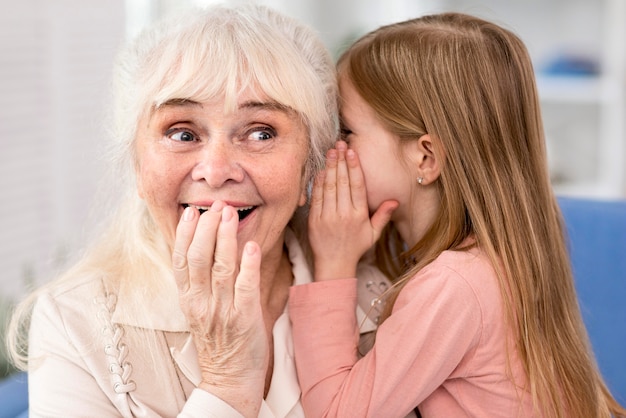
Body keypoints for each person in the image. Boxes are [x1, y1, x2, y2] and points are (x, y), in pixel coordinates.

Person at [4, 4, 351, 417]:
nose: (218, 170)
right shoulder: (74, 323)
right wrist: (226, 382)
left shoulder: (381, 297)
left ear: (310, 164)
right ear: (137, 164)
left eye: (261, 132)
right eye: (182, 133)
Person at [288, 12, 626, 418]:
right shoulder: (497, 257)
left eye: (346, 133)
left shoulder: (453, 286)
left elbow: (337, 414)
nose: (330, 150)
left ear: (426, 157)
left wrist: (334, 263)